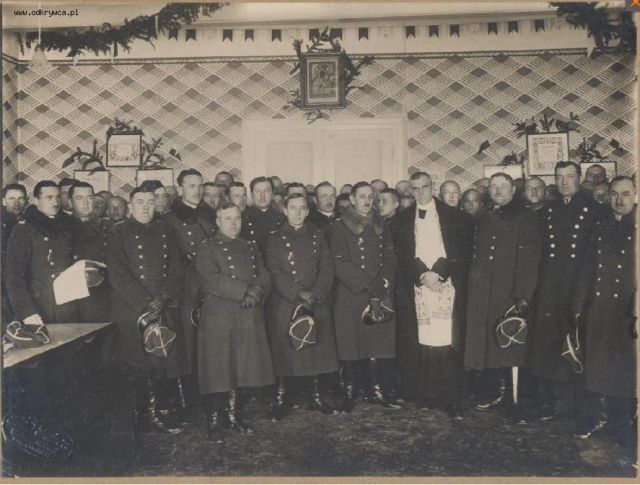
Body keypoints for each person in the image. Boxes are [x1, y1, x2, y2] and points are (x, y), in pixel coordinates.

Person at [392, 172, 473, 418]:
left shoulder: (455, 216)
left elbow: (461, 251)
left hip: (445, 284)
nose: (420, 193)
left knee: (447, 339)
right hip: (418, 286)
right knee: (423, 338)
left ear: (432, 187)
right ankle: (427, 394)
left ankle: (451, 396)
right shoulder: (401, 220)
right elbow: (402, 254)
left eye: (424, 187)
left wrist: (439, 272)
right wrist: (422, 274)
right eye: (415, 189)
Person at [106, 186, 186, 435]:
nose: (146, 207)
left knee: (163, 357)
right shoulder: (118, 231)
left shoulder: (166, 230)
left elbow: (177, 267)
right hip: (132, 308)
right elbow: (118, 274)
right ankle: (145, 413)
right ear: (130, 206)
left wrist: (163, 298)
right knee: (139, 361)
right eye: (140, 202)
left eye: (151, 202)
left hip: (162, 303)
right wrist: (144, 303)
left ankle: (163, 409)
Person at [529, 161, 604, 422]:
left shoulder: (594, 210)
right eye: (559, 177)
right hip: (551, 287)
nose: (564, 182)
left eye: (569, 177)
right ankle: (556, 404)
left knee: (577, 345)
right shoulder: (547, 211)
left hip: (579, 287)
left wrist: (584, 293)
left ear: (579, 179)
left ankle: (582, 408)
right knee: (551, 344)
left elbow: (594, 258)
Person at [464, 173, 541, 421]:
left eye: (503, 186)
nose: (498, 191)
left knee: (508, 343)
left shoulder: (525, 217)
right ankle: (492, 390)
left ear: (513, 190)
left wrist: (522, 296)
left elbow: (529, 260)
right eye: (493, 187)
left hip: (507, 289)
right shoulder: (484, 216)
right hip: (482, 289)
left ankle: (511, 396)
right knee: (488, 342)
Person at [195, 201, 274, 442]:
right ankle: (214, 420)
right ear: (218, 221)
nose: (233, 223)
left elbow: (264, 273)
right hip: (220, 316)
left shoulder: (249, 246)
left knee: (241, 367)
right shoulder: (207, 247)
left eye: (237, 218)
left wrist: (257, 291)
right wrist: (244, 291)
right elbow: (210, 279)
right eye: (227, 219)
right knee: (218, 368)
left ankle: (234, 416)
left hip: (246, 314)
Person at [571, 176, 636, 440]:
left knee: (624, 365)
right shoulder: (600, 225)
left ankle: (621, 423)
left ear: (635, 195)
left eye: (626, 194)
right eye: (614, 194)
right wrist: (578, 306)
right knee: (596, 364)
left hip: (628, 309)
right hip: (599, 307)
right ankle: (595, 417)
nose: (619, 200)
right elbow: (587, 268)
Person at [265, 193, 340, 420]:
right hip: (287, 301)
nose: (297, 212)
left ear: (308, 211)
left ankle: (316, 396)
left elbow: (327, 267)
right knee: (285, 350)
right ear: (285, 210)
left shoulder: (317, 235)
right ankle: (281, 399)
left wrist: (316, 292)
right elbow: (274, 271)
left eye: (302, 208)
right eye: (293, 208)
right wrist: (298, 293)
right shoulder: (274, 238)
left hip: (315, 300)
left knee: (316, 349)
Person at [331, 182, 398, 411]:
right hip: (352, 293)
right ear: (352, 199)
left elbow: (389, 256)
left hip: (378, 292)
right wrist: (367, 284)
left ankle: (377, 389)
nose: (367, 201)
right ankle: (351, 391)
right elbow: (340, 262)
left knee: (378, 340)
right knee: (351, 342)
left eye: (370, 196)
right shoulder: (340, 226)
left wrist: (383, 280)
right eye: (362, 196)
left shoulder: (381, 224)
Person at [163, 169, 217, 417]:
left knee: (211, 340)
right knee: (187, 341)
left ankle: (211, 395)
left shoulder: (211, 215)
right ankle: (187, 398)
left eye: (199, 185)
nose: (197, 190)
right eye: (191, 185)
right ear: (180, 188)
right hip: (185, 288)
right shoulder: (169, 219)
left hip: (210, 286)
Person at [7, 181, 78, 324]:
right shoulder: (24, 230)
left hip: (66, 305)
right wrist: (27, 312)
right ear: (36, 200)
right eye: (49, 197)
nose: (55, 202)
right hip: (38, 307)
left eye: (58, 197)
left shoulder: (66, 227)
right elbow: (14, 277)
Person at [67, 181, 110, 323]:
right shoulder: (61, 227)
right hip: (70, 297)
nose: (86, 203)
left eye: (90, 198)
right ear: (70, 202)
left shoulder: (107, 228)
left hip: (100, 295)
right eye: (79, 198)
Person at [2, 183, 28, 325]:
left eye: (21, 198)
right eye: (12, 198)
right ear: (3, 201)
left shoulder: (30, 222)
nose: (16, 203)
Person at [241, 177, 286, 255]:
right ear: (251, 195)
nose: (262, 196)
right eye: (258, 191)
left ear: (272, 194)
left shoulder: (282, 219)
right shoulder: (242, 218)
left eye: (266, 191)